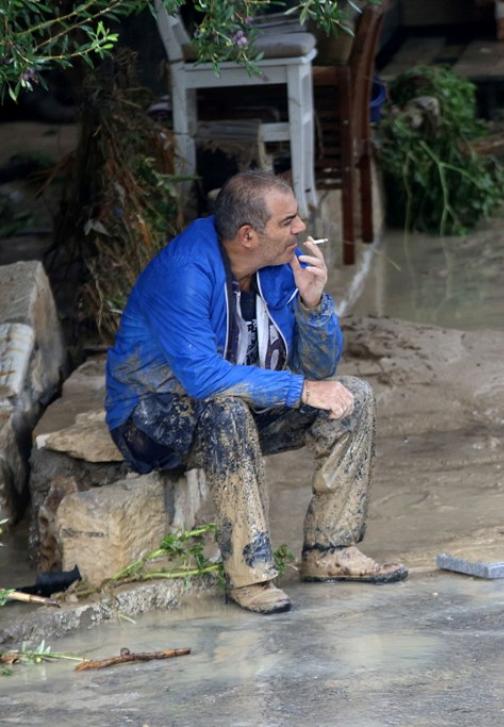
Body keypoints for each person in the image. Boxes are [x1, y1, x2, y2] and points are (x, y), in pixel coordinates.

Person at [105, 170, 407, 615]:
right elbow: (204, 379)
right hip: (152, 422)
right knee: (226, 409)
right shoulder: (184, 272)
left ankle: (331, 550)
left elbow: (320, 371)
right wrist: (300, 389)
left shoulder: (281, 264)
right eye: (288, 222)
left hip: (235, 404)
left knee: (353, 397)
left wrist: (313, 305)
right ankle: (249, 575)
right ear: (248, 235)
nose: (300, 228)